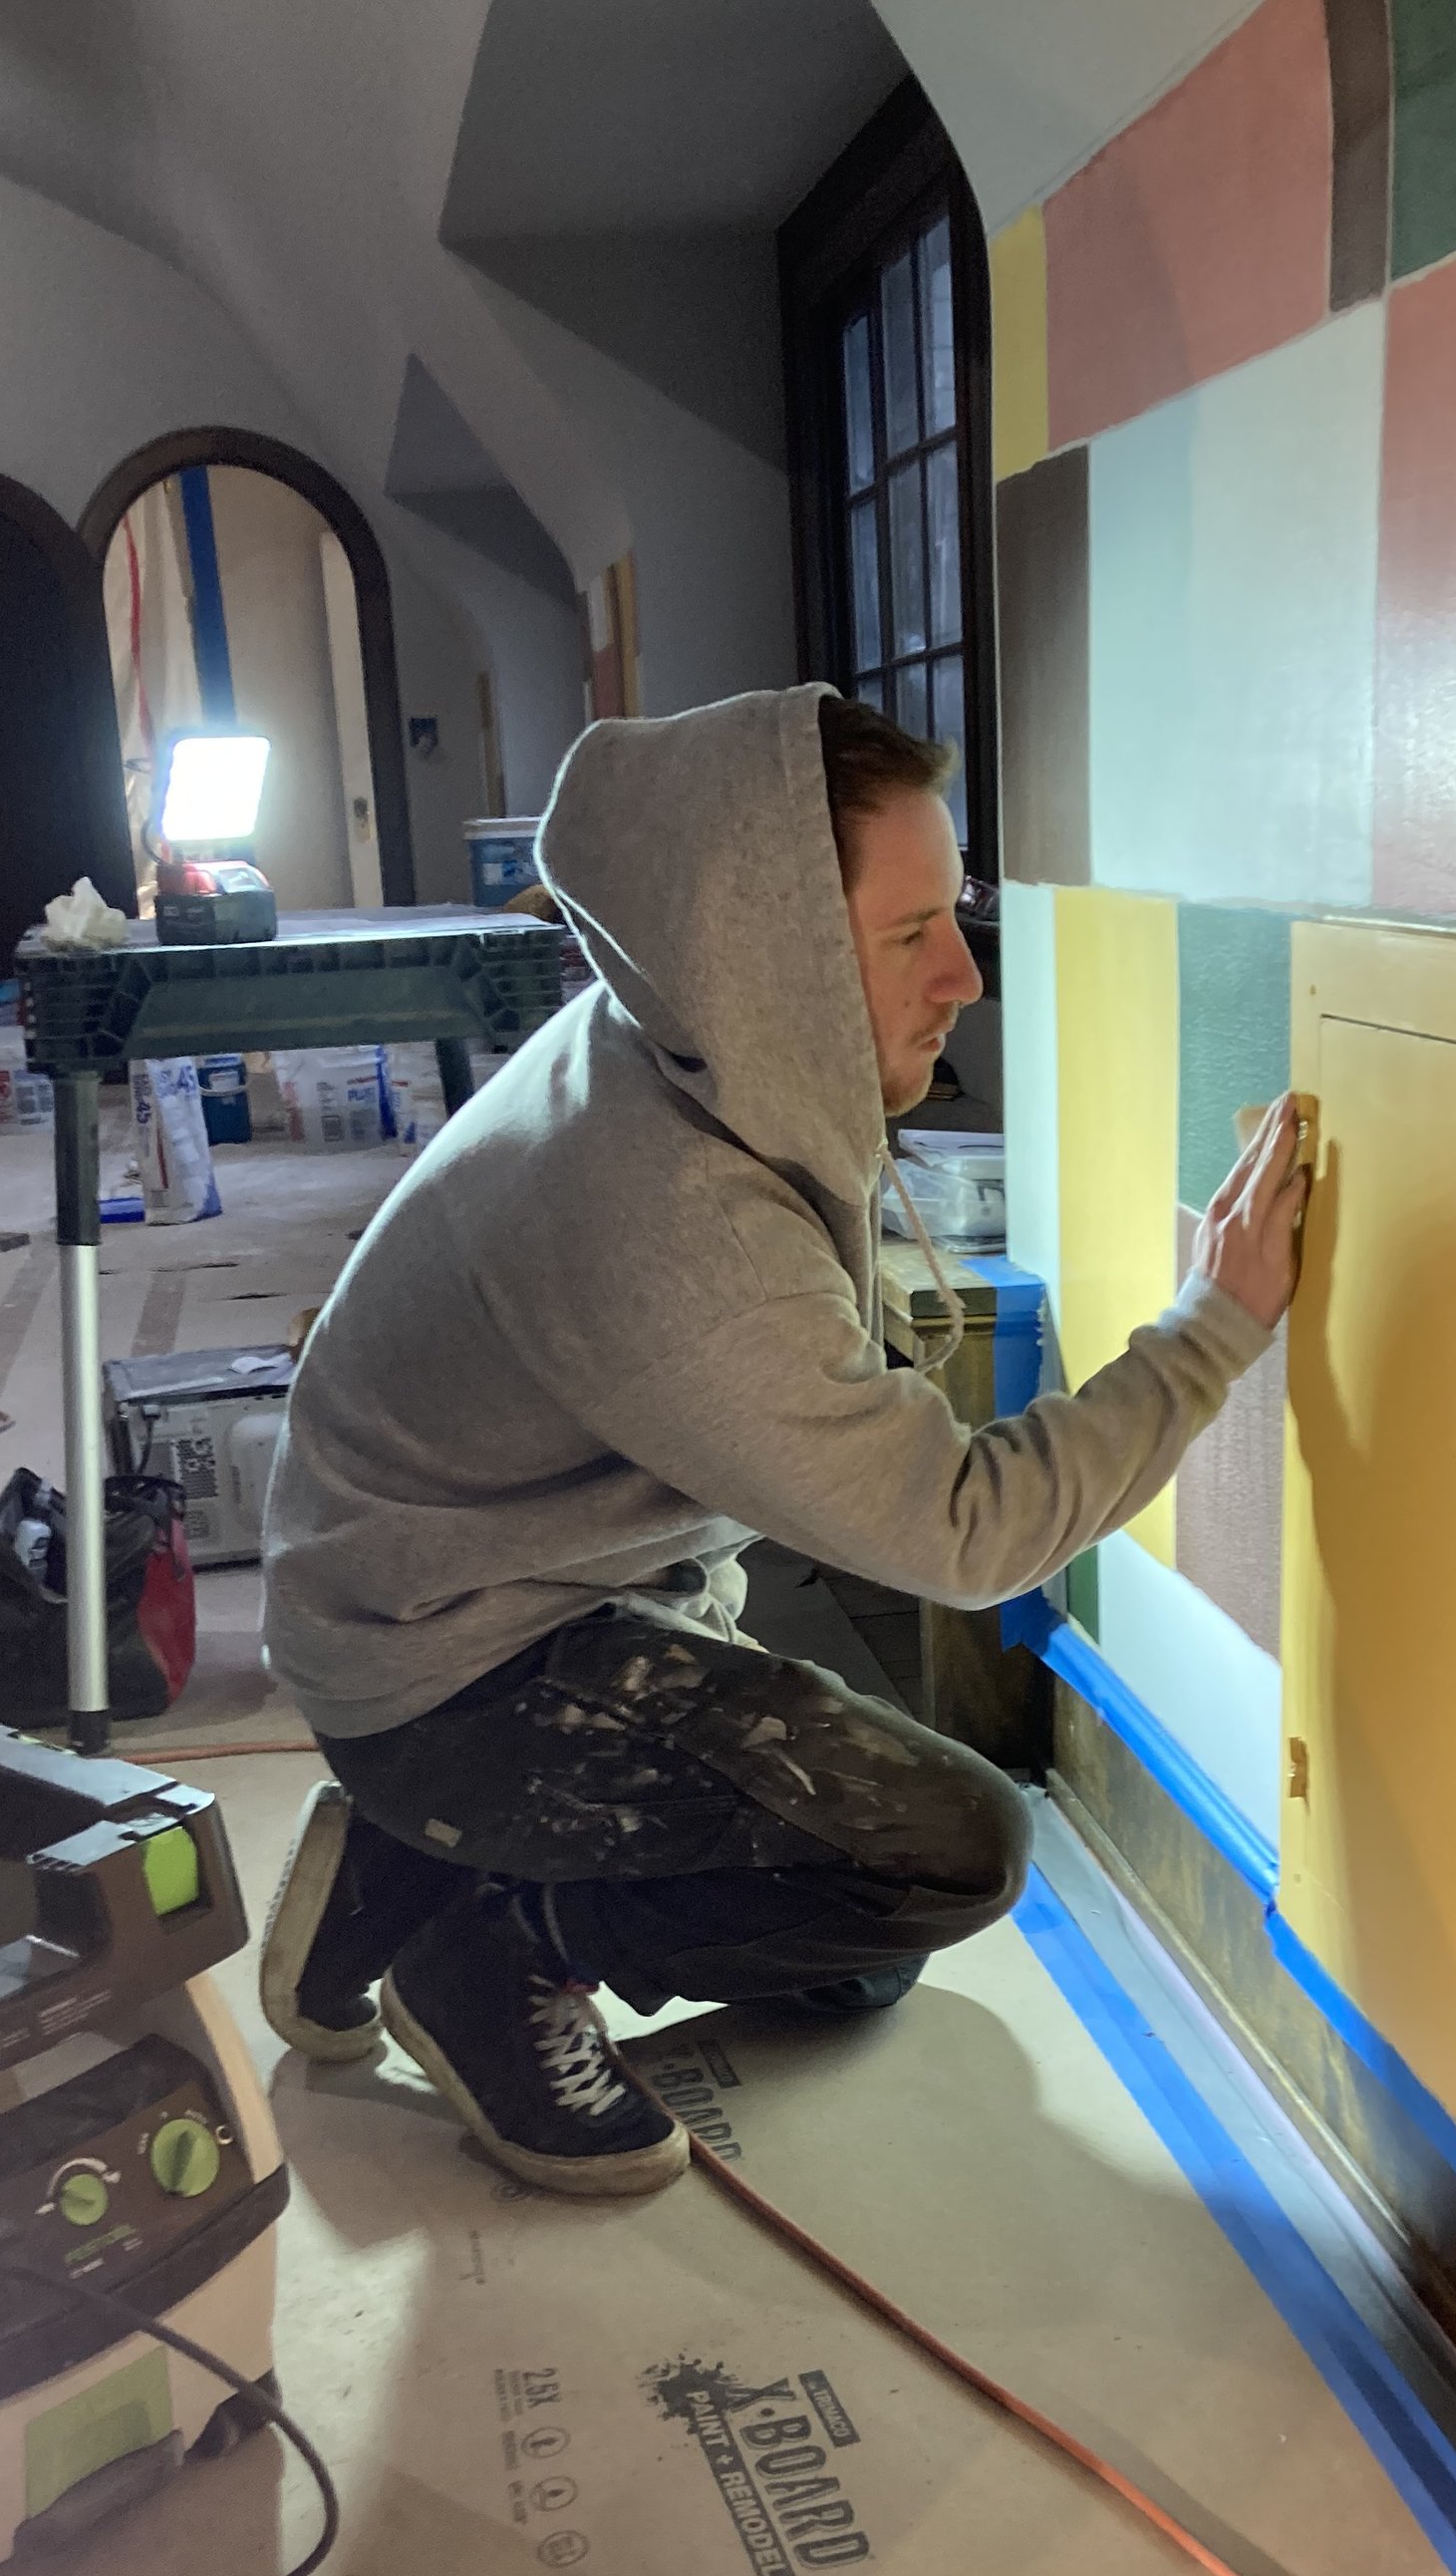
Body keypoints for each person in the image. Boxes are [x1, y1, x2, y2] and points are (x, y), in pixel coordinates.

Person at [256, 687, 1307, 2196]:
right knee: (946, 1853)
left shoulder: (677, 1033)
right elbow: (965, 1533)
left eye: (956, 917)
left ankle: (405, 1855)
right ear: (770, 967)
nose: (962, 976)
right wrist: (1212, 1326)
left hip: (483, 1574)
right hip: (440, 1650)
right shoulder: (662, 1218)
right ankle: (487, 1947)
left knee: (846, 1969)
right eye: (905, 939)